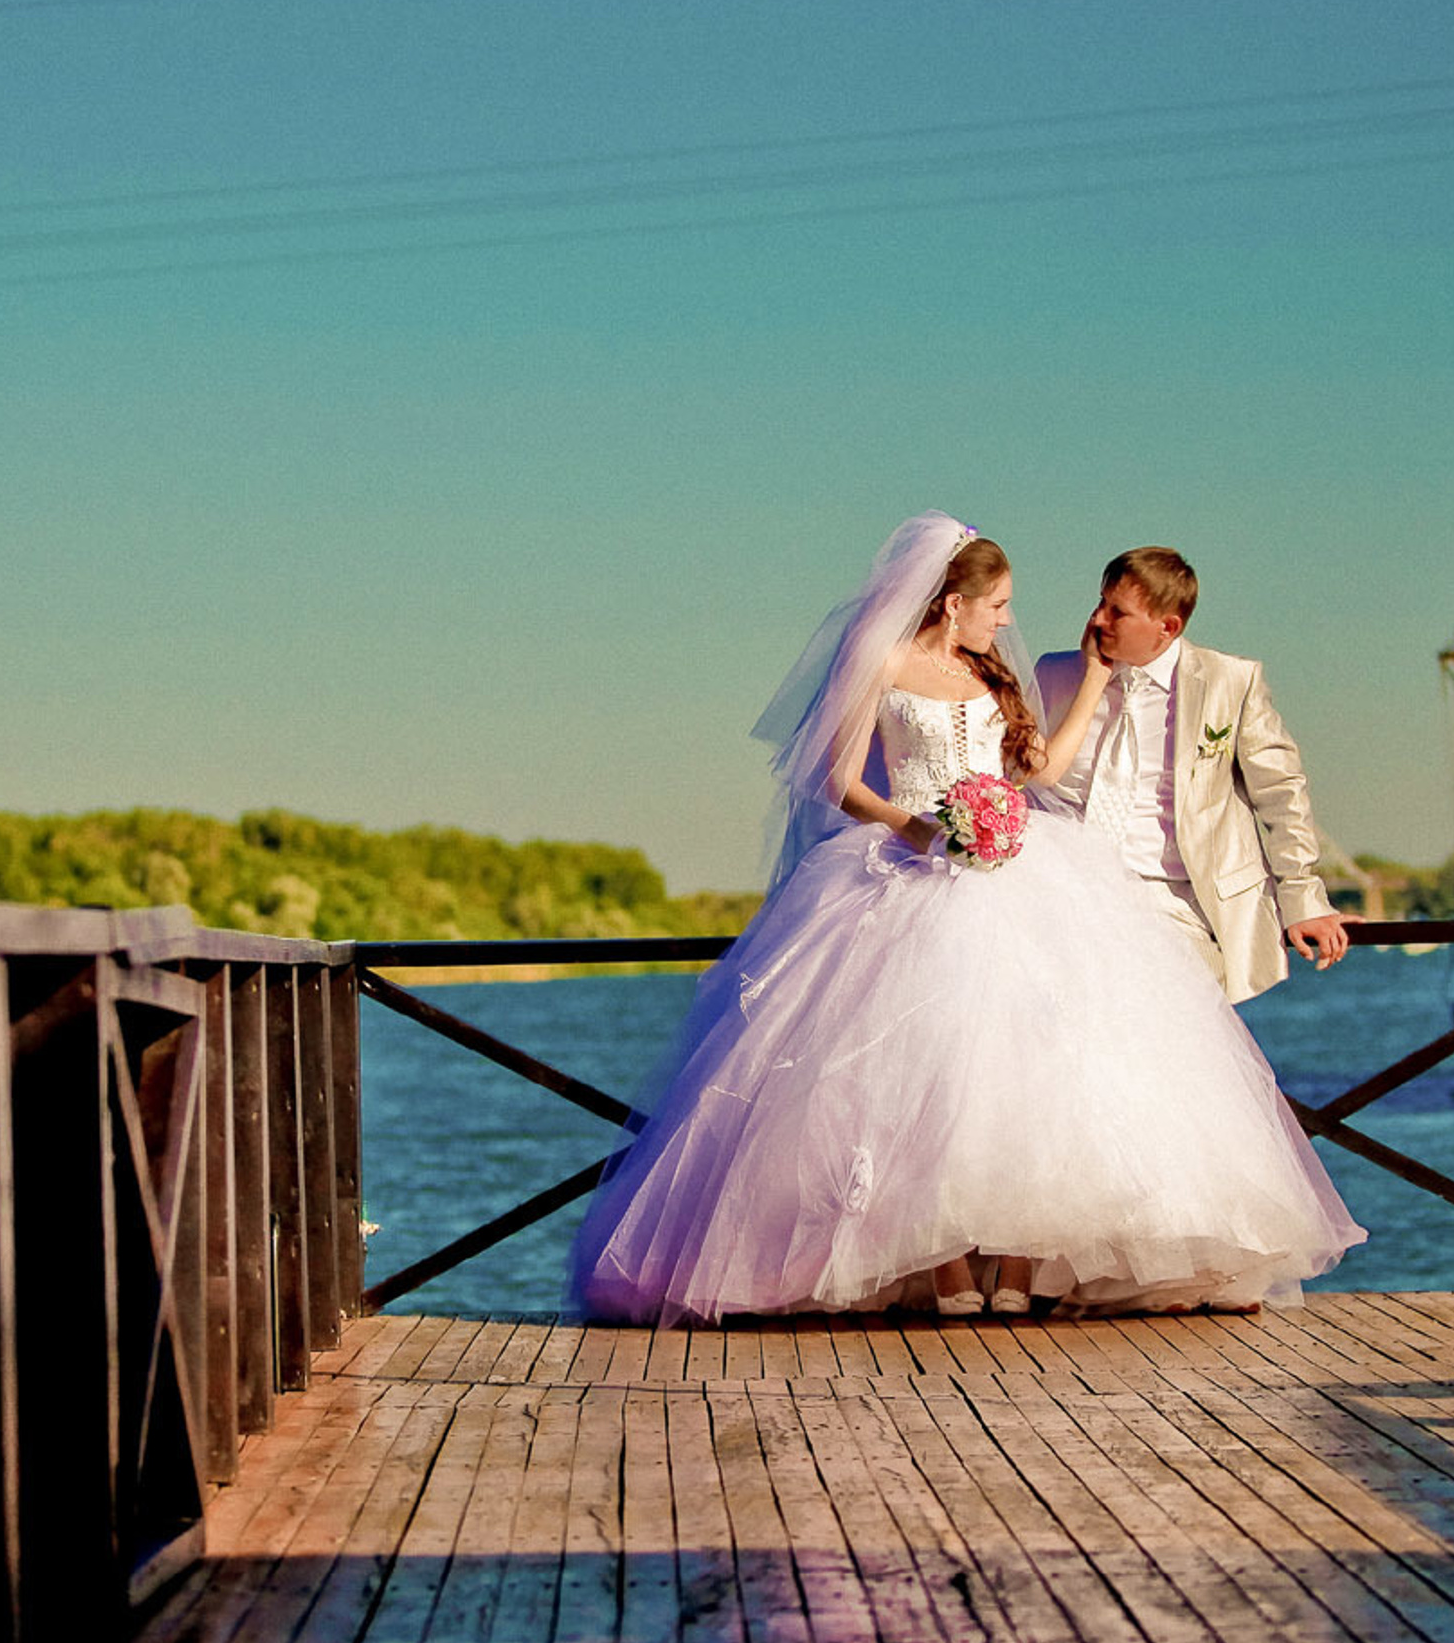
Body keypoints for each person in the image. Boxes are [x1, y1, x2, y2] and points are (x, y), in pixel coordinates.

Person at [568, 514, 1363, 1328]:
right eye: (1000, 602)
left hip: (1019, 875)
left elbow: (1038, 769)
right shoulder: (880, 660)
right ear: (953, 601)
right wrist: (918, 827)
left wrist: (1088, 684)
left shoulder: (998, 673)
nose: (1011, 619)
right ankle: (940, 1265)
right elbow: (834, 776)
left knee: (1032, 1070)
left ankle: (1019, 1261)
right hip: (907, 870)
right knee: (907, 1074)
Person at [1032, 547, 1347, 1003]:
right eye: (1099, 602)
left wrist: (1303, 900)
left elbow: (1281, 794)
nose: (1097, 620)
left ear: (1168, 627)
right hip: (1066, 899)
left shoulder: (1229, 682)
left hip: (1177, 905)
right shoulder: (1052, 674)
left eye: (1117, 612)